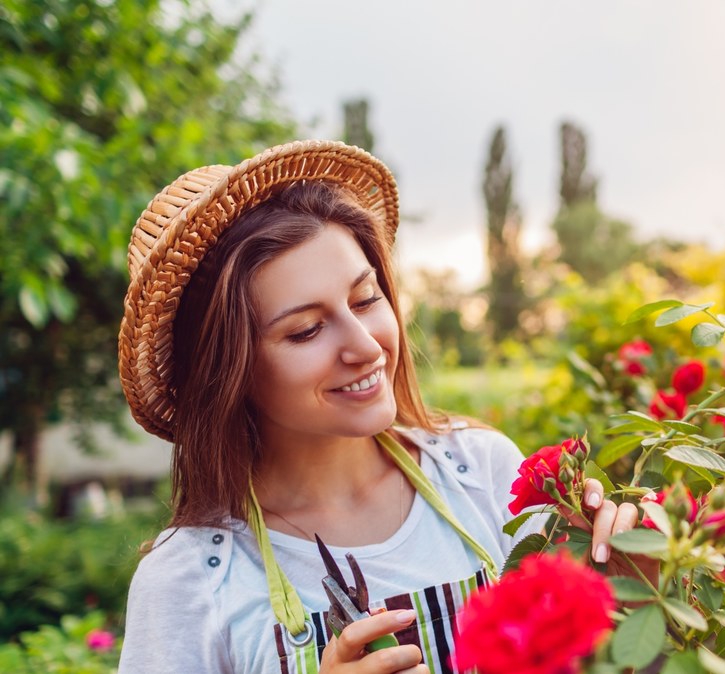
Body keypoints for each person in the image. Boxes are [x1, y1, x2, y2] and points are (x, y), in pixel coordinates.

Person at [117, 140, 637, 673]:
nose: (365, 345)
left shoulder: (483, 473)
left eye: (366, 299)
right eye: (305, 330)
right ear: (228, 372)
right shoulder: (190, 583)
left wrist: (635, 588)